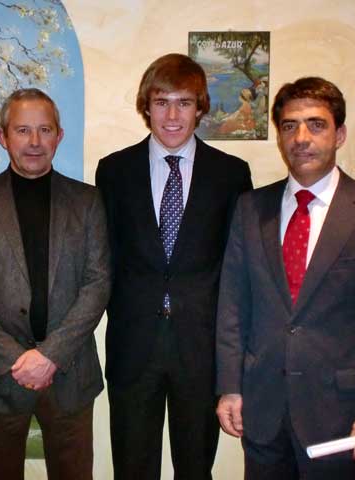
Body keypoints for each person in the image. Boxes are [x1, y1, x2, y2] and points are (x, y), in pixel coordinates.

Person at [216, 76, 355, 479]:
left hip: (344, 420)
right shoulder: (251, 208)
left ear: (340, 134)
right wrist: (230, 386)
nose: (301, 137)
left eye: (316, 124)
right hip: (264, 411)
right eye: (289, 126)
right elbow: (233, 305)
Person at [95, 53, 252, 480]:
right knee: (131, 467)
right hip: (133, 348)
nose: (172, 115)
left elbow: (238, 270)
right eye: (161, 101)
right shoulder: (113, 171)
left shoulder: (231, 175)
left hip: (201, 350)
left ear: (200, 108)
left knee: (196, 468)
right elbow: (104, 260)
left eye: (184, 102)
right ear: (146, 106)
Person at [0, 88, 110, 480]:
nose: (34, 142)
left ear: (59, 136)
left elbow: (98, 282)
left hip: (69, 372)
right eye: (22, 130)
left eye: (44, 130)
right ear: (3, 137)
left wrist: (50, 354)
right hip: (0, 374)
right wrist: (13, 359)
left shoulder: (87, 202)